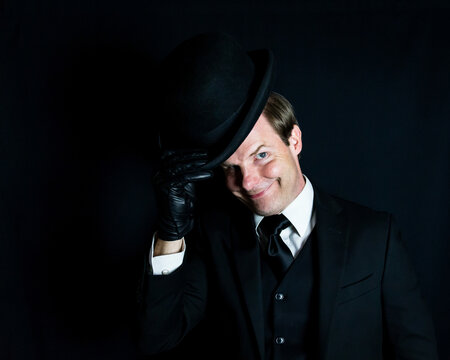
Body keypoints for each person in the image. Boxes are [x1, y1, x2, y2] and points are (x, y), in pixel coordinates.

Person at [137, 32, 438, 359]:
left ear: (293, 140)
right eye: (229, 169)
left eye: (261, 155)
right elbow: (157, 338)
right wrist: (170, 233)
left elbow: (416, 350)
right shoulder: (213, 236)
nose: (248, 182)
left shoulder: (376, 236)